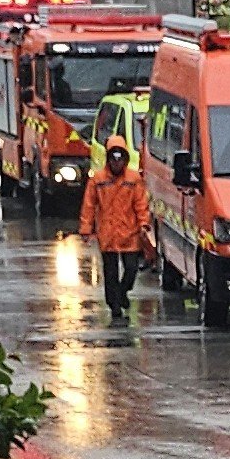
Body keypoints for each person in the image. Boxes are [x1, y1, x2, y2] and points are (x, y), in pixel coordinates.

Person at [79, 135, 153, 322]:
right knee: (110, 273)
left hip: (130, 232)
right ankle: (114, 306)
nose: (117, 162)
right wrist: (86, 229)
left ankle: (122, 292)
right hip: (108, 233)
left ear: (125, 158)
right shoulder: (98, 180)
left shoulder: (134, 178)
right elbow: (89, 205)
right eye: (114, 158)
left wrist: (144, 223)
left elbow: (140, 203)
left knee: (131, 269)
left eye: (120, 158)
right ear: (108, 158)